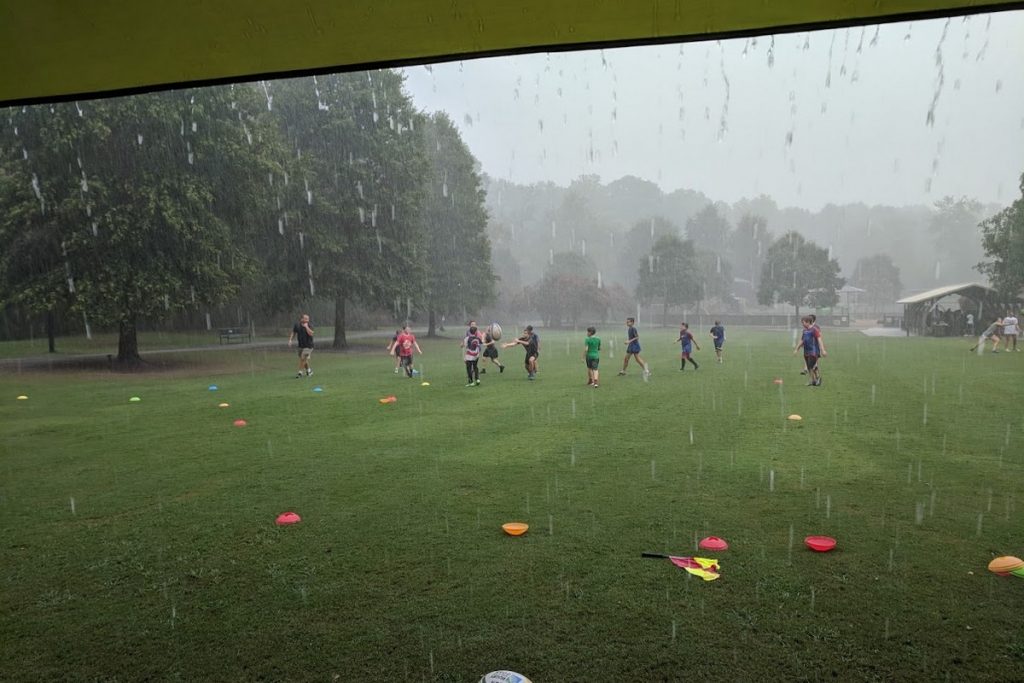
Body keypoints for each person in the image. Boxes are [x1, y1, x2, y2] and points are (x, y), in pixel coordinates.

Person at [794, 315, 827, 386]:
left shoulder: (814, 330)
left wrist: (823, 350)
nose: (802, 324)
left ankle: (816, 379)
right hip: (806, 351)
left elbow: (819, 340)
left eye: (803, 322)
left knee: (810, 365)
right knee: (810, 367)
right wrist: (797, 349)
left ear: (808, 322)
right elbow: (802, 340)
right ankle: (814, 380)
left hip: (813, 351)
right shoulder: (804, 331)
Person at [288, 313, 314, 378]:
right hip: (301, 346)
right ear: (301, 319)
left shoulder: (309, 325)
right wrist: (290, 340)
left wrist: (306, 327)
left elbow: (311, 334)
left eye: (308, 319)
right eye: (305, 319)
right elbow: (293, 332)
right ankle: (309, 371)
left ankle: (300, 373)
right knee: (304, 360)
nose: (307, 320)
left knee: (303, 359)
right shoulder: (297, 325)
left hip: (308, 346)